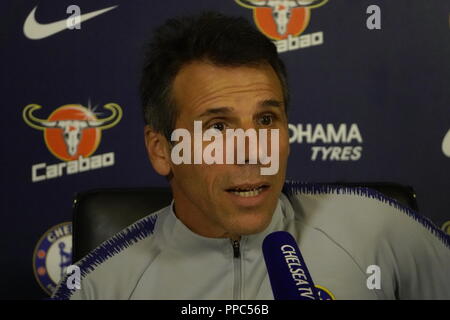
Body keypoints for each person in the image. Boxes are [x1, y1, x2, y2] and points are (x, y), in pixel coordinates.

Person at [52, 12, 450, 300]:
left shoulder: (380, 227)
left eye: (265, 119)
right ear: (162, 151)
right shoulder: (97, 286)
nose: (255, 151)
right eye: (218, 127)